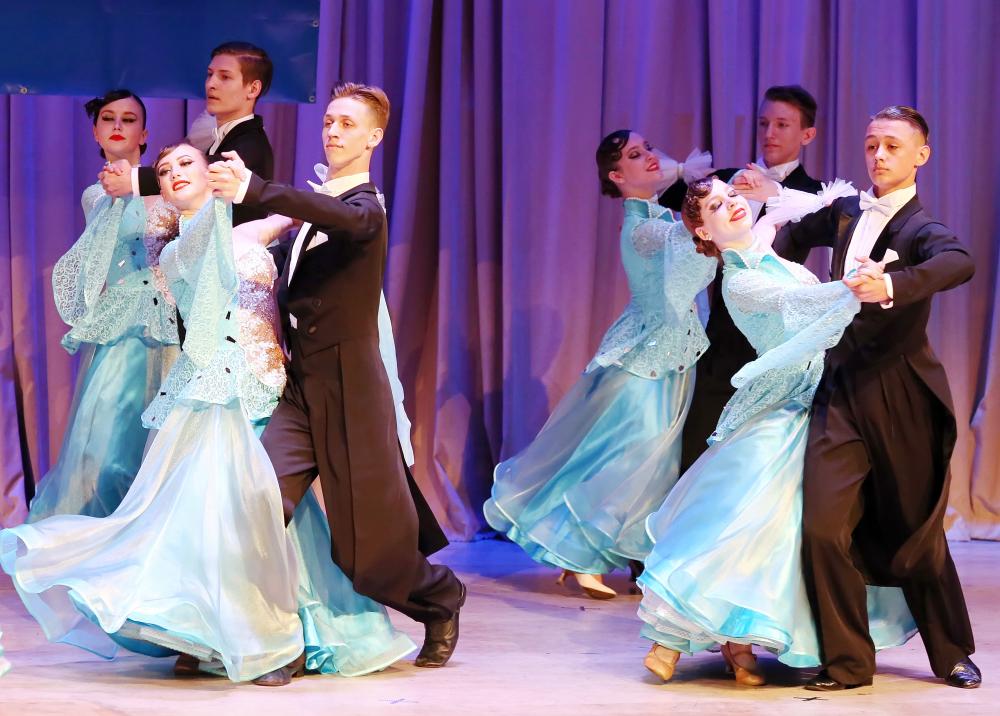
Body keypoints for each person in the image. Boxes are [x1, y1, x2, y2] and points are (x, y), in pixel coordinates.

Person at [1, 144, 415, 685]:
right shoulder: (179, 252)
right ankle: (239, 635)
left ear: (209, 172)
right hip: (217, 397)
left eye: (186, 165)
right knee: (222, 515)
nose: (174, 174)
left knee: (279, 517)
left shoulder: (248, 231)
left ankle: (294, 630)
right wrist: (231, 202)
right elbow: (211, 248)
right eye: (165, 172)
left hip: (268, 389)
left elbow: (306, 220)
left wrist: (312, 203)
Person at [208, 82, 466, 671]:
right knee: (260, 503)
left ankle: (440, 598)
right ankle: (279, 642)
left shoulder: (366, 209)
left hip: (352, 388)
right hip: (301, 386)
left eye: (348, 124)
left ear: (374, 137)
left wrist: (259, 190)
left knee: (365, 552)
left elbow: (341, 217)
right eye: (329, 120)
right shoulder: (315, 210)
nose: (333, 131)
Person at [637, 176, 918, 686]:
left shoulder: (778, 261)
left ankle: (740, 640)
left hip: (819, 395)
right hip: (781, 402)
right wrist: (857, 287)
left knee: (791, 524)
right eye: (717, 206)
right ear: (705, 232)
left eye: (732, 195)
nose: (732, 204)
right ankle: (677, 637)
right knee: (746, 513)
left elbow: (812, 301)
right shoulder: (739, 282)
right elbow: (804, 307)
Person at [770, 105, 980, 691]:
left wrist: (890, 283)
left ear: (921, 155)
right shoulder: (845, 211)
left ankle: (950, 650)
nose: (879, 156)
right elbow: (788, 239)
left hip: (899, 393)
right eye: (870, 145)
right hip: (839, 389)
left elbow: (959, 263)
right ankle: (847, 662)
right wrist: (772, 274)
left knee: (914, 526)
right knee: (823, 529)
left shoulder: (921, 229)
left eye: (892, 145)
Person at [483, 130, 716, 599]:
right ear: (617, 176)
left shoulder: (658, 215)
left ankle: (579, 553)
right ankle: (581, 556)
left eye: (647, 149)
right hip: (646, 361)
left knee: (636, 461)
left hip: (669, 358)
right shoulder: (645, 228)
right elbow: (691, 246)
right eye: (634, 155)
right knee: (628, 458)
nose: (649, 157)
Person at [28, 89, 180, 522]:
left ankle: (146, 525)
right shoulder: (93, 195)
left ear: (144, 133)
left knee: (160, 440)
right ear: (95, 132)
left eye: (129, 120)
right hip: (118, 324)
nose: (117, 126)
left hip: (165, 320)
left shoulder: (166, 183)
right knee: (104, 440)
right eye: (108, 118)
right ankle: (102, 526)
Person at [662, 86, 827, 475]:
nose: (769, 133)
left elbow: (840, 217)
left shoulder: (812, 194)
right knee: (700, 447)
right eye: (764, 123)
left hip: (777, 348)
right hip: (723, 338)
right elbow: (669, 196)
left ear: (807, 134)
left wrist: (777, 193)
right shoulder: (724, 183)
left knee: (761, 463)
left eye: (782, 125)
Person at [101, 42, 275, 226]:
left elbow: (200, 170)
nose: (211, 84)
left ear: (253, 89)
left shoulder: (252, 144)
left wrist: (132, 179)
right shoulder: (221, 138)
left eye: (225, 77)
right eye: (210, 74)